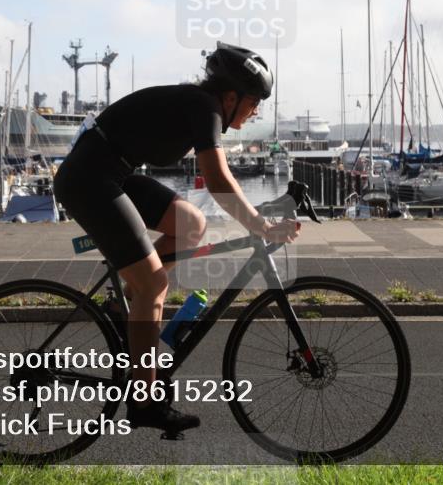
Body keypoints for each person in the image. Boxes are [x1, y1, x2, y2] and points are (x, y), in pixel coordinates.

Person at [53, 42, 300, 433]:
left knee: (191, 225)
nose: (255, 112)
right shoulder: (205, 108)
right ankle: (145, 402)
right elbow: (218, 180)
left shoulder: (203, 106)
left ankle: (127, 306)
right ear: (231, 96)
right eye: (254, 103)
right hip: (88, 180)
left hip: (111, 173)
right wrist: (261, 226)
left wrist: (258, 220)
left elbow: (218, 181)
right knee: (155, 282)